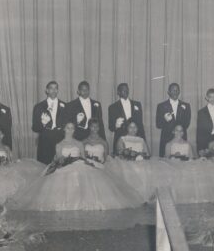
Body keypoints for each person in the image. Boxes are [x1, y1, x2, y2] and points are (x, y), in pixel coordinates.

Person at [8, 122, 144, 211]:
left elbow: (83, 157)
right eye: (68, 127)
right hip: (65, 167)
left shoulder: (79, 143)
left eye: (72, 128)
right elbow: (58, 159)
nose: (70, 130)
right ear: (64, 129)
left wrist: (88, 163)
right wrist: (60, 163)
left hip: (79, 165)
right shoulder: (59, 145)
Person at [32, 81, 66, 164]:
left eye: (56, 88)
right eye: (51, 88)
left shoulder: (65, 105)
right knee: (45, 166)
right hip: (45, 140)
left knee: (60, 167)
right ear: (47, 90)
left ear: (58, 90)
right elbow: (35, 127)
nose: (54, 91)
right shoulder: (39, 106)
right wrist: (43, 123)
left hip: (60, 140)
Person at [107, 83, 145, 154]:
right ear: (118, 92)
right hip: (120, 139)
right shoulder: (112, 107)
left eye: (127, 90)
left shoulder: (137, 104)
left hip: (135, 139)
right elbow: (111, 127)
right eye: (123, 90)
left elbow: (140, 125)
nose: (126, 92)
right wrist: (116, 125)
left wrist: (143, 139)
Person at [156, 83, 191, 156]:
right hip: (166, 139)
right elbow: (158, 124)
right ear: (168, 92)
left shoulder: (186, 106)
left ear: (179, 92)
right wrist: (165, 120)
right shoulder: (161, 106)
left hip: (181, 140)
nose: (175, 92)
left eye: (177, 90)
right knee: (165, 164)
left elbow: (187, 124)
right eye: (173, 90)